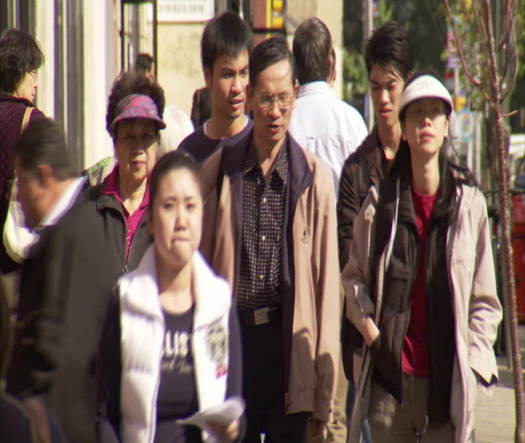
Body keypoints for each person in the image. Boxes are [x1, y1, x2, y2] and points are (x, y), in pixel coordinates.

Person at [342, 73, 502, 442]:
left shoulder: (469, 207)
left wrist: (474, 365)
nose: (425, 121)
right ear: (405, 127)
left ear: (448, 126)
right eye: (416, 114)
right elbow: (352, 279)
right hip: (390, 388)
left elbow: (486, 301)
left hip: (447, 389)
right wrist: (372, 333)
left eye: (434, 113)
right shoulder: (381, 205)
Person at [6, 71, 165, 442]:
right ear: (114, 141)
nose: (138, 147)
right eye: (129, 137)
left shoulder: (166, 212)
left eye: (147, 137)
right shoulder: (89, 205)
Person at [200, 35, 340, 442]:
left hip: (288, 351)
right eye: (265, 99)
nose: (275, 112)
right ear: (248, 97)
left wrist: (324, 394)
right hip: (235, 346)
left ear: (296, 95)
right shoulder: (222, 169)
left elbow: (328, 292)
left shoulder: (314, 179)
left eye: (283, 98)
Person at [97, 151, 243, 442]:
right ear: (150, 220)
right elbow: (104, 413)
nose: (181, 221)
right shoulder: (126, 299)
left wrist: (232, 429)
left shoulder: (220, 301)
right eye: (169, 206)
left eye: (190, 206)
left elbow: (236, 410)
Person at [289, 17, 367, 194]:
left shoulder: (283, 121)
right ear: (330, 63)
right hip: (341, 221)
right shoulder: (351, 121)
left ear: (294, 67)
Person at [178, 12, 253, 163]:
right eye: (228, 74)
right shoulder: (188, 154)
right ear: (208, 76)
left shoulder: (263, 146)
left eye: (244, 73)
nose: (237, 87)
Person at [0, 28, 45, 273]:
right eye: (33, 72)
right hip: (16, 264)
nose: (36, 82)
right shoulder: (33, 123)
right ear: (20, 73)